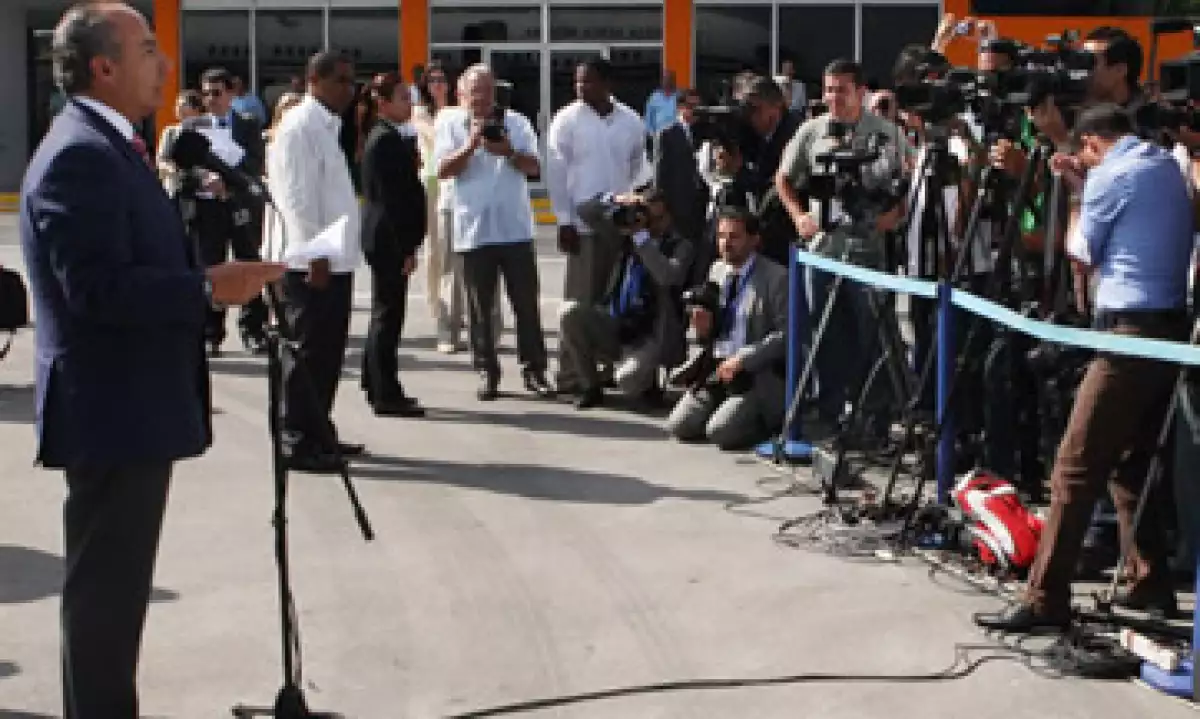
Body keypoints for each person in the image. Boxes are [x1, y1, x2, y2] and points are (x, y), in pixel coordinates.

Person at [20, 4, 283, 716]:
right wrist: (205, 287)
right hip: (111, 409)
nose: (164, 64)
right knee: (106, 599)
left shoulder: (115, 144)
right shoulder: (80, 152)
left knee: (116, 596)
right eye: (146, 48)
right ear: (103, 66)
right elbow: (97, 288)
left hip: (128, 405)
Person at [976, 105, 1195, 632]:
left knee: (1074, 466)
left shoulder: (1109, 175)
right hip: (1168, 330)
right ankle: (1149, 582)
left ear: (1092, 144)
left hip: (1129, 335)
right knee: (1130, 462)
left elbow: (1079, 249)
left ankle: (1045, 596)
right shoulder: (1164, 164)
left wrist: (1076, 190)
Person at [776, 58, 908, 437]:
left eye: (842, 90)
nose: (833, 97)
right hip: (824, 251)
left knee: (873, 336)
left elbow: (906, 189)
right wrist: (799, 215)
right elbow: (784, 178)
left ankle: (874, 417)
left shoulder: (886, 134)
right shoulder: (811, 131)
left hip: (869, 254)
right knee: (824, 334)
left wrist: (891, 217)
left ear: (860, 92)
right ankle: (830, 413)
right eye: (828, 89)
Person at [263, 51, 364, 472]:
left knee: (327, 354)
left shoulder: (327, 126)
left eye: (350, 81)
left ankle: (319, 431)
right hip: (312, 262)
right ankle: (296, 440)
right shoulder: (299, 128)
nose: (348, 89)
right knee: (306, 352)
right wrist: (316, 254)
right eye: (340, 80)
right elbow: (297, 200)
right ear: (313, 80)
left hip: (332, 259)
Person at [435, 63, 553, 401]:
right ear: (461, 95)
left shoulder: (516, 123)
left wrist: (509, 151)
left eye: (487, 91)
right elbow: (442, 171)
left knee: (526, 306)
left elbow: (534, 166)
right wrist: (471, 146)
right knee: (480, 308)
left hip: (515, 229)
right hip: (472, 231)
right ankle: (487, 372)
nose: (482, 98)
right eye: (475, 91)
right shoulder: (450, 125)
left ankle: (535, 371)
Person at [547, 58, 646, 393]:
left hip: (618, 228)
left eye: (588, 82)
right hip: (582, 227)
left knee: (609, 301)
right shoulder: (567, 120)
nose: (581, 88)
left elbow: (639, 169)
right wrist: (563, 220)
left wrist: (635, 209)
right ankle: (571, 374)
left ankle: (604, 370)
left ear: (608, 84)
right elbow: (556, 174)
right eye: (577, 82)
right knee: (577, 303)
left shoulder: (631, 121)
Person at [559, 188, 694, 409]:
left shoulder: (680, 247)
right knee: (568, 313)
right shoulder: (624, 236)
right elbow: (585, 211)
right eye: (646, 216)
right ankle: (591, 387)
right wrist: (616, 199)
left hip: (651, 333)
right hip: (617, 322)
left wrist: (641, 237)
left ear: (669, 217)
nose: (651, 223)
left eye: (657, 218)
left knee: (627, 381)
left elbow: (667, 276)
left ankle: (647, 381)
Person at [666, 208, 788, 450]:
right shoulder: (717, 270)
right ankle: (721, 409)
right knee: (679, 425)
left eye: (734, 237)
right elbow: (707, 331)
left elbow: (786, 335)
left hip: (753, 375)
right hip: (717, 368)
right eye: (722, 236)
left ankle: (764, 422)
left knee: (720, 432)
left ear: (754, 240)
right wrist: (702, 330)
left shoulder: (776, 277)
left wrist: (743, 359)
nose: (725, 244)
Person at [359, 72, 427, 418]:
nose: (410, 103)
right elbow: (394, 201)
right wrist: (406, 248)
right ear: (382, 103)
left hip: (387, 236)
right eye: (403, 97)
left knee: (384, 312)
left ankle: (376, 381)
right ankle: (385, 391)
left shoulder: (391, 136)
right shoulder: (384, 140)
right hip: (388, 238)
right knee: (388, 315)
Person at [196, 65, 269, 355]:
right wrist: (204, 178)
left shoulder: (248, 123)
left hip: (241, 204)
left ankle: (253, 329)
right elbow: (186, 164)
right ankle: (211, 331)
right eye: (205, 94)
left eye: (216, 93)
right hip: (208, 207)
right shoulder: (195, 127)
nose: (210, 100)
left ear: (230, 93)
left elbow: (254, 163)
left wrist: (229, 180)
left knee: (249, 263)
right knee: (212, 268)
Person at [739, 75, 805, 264]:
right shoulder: (755, 135)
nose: (751, 117)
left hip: (784, 232)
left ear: (775, 107)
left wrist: (739, 171)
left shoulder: (794, 135)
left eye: (756, 109)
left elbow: (774, 186)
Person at [652, 87, 707, 245]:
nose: (695, 111)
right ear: (680, 107)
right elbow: (660, 175)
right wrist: (662, 209)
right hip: (677, 207)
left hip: (700, 208)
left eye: (698, 107)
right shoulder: (668, 134)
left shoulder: (704, 133)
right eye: (691, 107)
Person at [155, 89, 202, 194]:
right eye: (177, 105)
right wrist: (171, 169)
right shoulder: (170, 131)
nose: (178, 108)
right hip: (174, 187)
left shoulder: (205, 132)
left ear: (196, 109)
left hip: (200, 190)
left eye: (183, 104)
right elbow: (161, 159)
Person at [644, 69, 679, 147]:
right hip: (659, 137)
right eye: (665, 78)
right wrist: (652, 135)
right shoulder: (654, 97)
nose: (668, 81)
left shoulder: (679, 96)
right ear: (661, 81)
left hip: (676, 136)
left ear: (674, 81)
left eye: (670, 79)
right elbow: (648, 118)